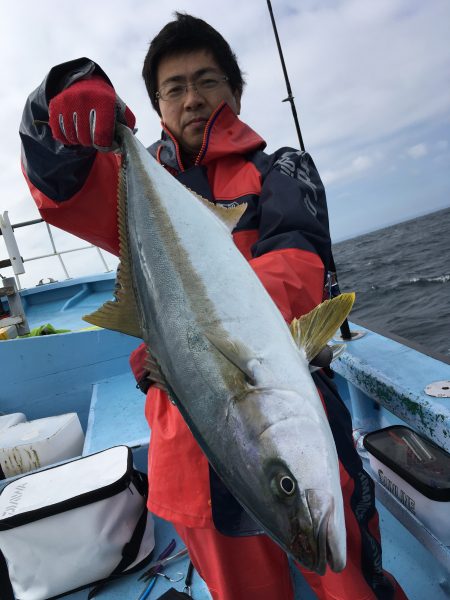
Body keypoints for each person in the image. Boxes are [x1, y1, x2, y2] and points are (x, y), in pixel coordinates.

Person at [20, 12, 407, 600]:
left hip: (271, 399)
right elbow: (60, 189)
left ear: (235, 92)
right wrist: (56, 96)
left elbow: (300, 271)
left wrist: (186, 345)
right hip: (186, 451)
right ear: (156, 107)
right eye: (174, 88)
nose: (192, 98)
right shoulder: (135, 183)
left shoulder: (279, 170)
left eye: (207, 81)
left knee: (348, 583)